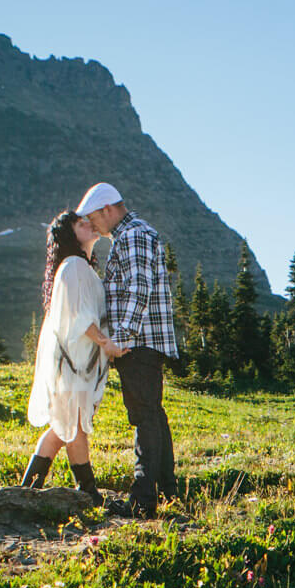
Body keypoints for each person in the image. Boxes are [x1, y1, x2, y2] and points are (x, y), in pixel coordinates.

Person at [75, 182, 178, 518]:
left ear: (107, 209)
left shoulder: (132, 236)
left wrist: (121, 337)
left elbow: (138, 289)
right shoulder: (134, 233)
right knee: (153, 415)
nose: (93, 226)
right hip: (146, 340)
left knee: (144, 416)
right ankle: (167, 493)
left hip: (139, 342)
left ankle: (143, 501)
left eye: (94, 218)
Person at [20, 209, 124, 502]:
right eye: (82, 224)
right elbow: (79, 316)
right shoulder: (75, 266)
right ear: (70, 234)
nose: (90, 226)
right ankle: (90, 495)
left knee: (62, 426)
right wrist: (105, 343)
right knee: (74, 425)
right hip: (73, 363)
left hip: (75, 362)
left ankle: (28, 491)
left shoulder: (79, 267)